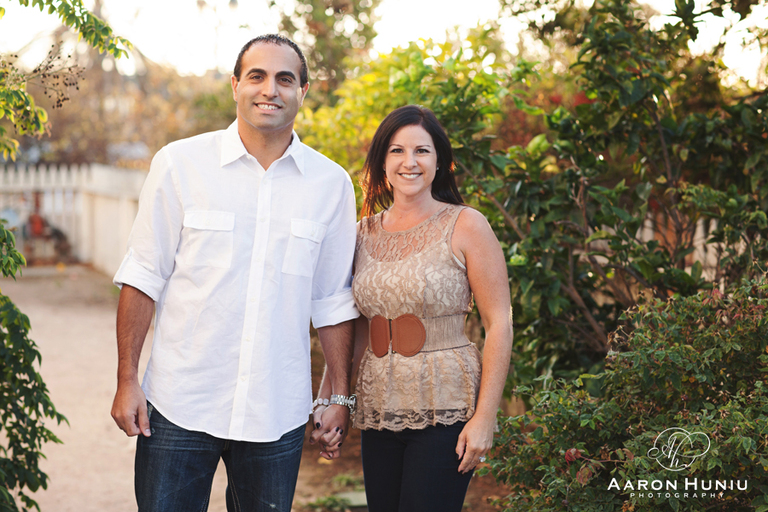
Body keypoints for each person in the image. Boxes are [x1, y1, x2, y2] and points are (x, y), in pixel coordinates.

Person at [110, 34, 358, 512]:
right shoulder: (180, 165)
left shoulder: (331, 185)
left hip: (276, 412)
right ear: (235, 86)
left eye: (285, 79)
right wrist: (127, 379)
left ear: (303, 91)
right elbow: (143, 276)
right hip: (180, 405)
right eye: (257, 76)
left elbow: (333, 300)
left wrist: (340, 397)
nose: (271, 89)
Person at [313, 104, 514, 512]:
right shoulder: (359, 235)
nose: (409, 162)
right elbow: (355, 331)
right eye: (396, 151)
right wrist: (333, 401)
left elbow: (500, 323)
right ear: (380, 163)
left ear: (440, 161)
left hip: (446, 404)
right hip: (379, 405)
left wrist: (485, 418)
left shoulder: (467, 224)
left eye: (422, 151)